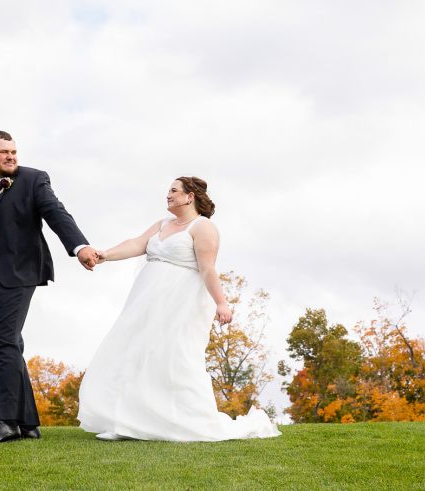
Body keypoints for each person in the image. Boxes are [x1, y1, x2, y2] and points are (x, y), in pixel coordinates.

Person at [77, 176, 280, 441]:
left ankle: (183, 421)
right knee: (137, 352)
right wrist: (105, 255)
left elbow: (207, 269)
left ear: (189, 196)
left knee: (174, 357)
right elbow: (137, 243)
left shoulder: (203, 227)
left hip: (183, 302)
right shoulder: (163, 224)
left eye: (174, 190)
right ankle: (127, 424)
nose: (168, 195)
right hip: (147, 299)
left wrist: (221, 302)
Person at [0, 130, 99, 443]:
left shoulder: (32, 180)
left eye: (14, 152)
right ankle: (27, 423)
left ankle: (6, 422)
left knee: (3, 342)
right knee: (0, 345)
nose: (11, 157)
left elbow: (57, 214)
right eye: (4, 152)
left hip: (17, 274)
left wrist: (79, 246)